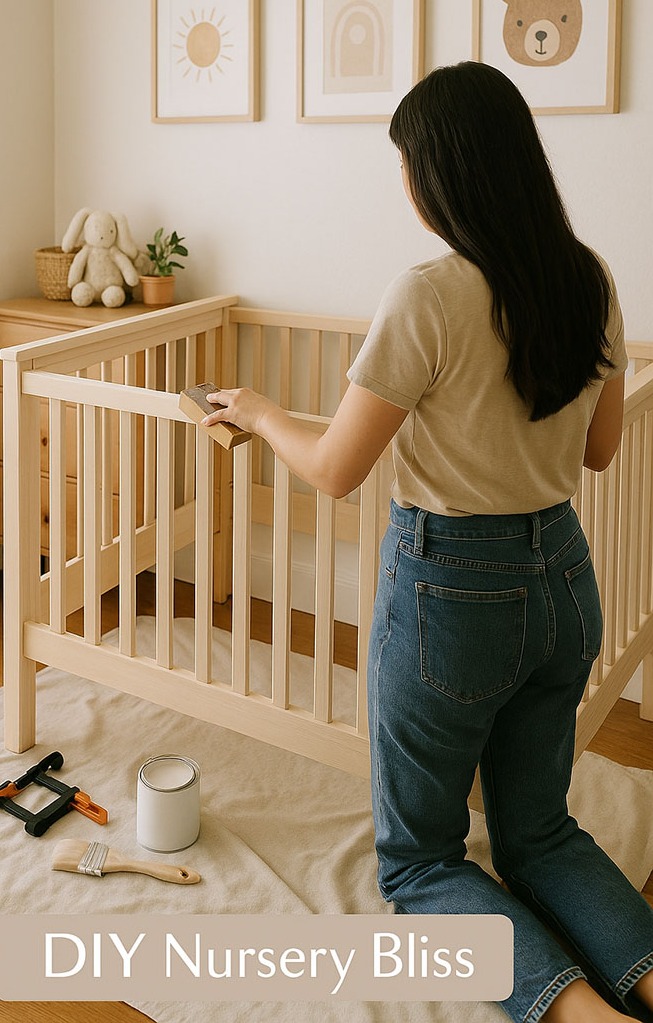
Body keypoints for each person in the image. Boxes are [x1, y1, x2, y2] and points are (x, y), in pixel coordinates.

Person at [202, 61, 653, 1023]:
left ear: (443, 174)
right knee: (539, 831)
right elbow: (605, 448)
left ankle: (577, 1014)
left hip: (457, 593)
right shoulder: (590, 276)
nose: (404, 185)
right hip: (565, 581)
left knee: (419, 860)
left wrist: (260, 409)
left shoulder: (428, 294)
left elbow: (334, 469)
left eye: (408, 164)